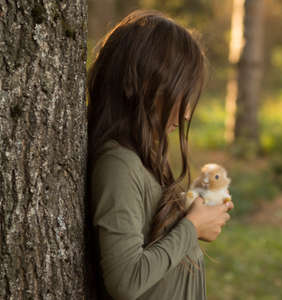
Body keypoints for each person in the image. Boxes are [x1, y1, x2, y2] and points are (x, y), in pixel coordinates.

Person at [86, 9, 234, 300]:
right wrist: (192, 227)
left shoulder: (140, 160)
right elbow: (126, 281)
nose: (188, 113)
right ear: (144, 85)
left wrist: (194, 215)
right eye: (180, 96)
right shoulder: (118, 165)